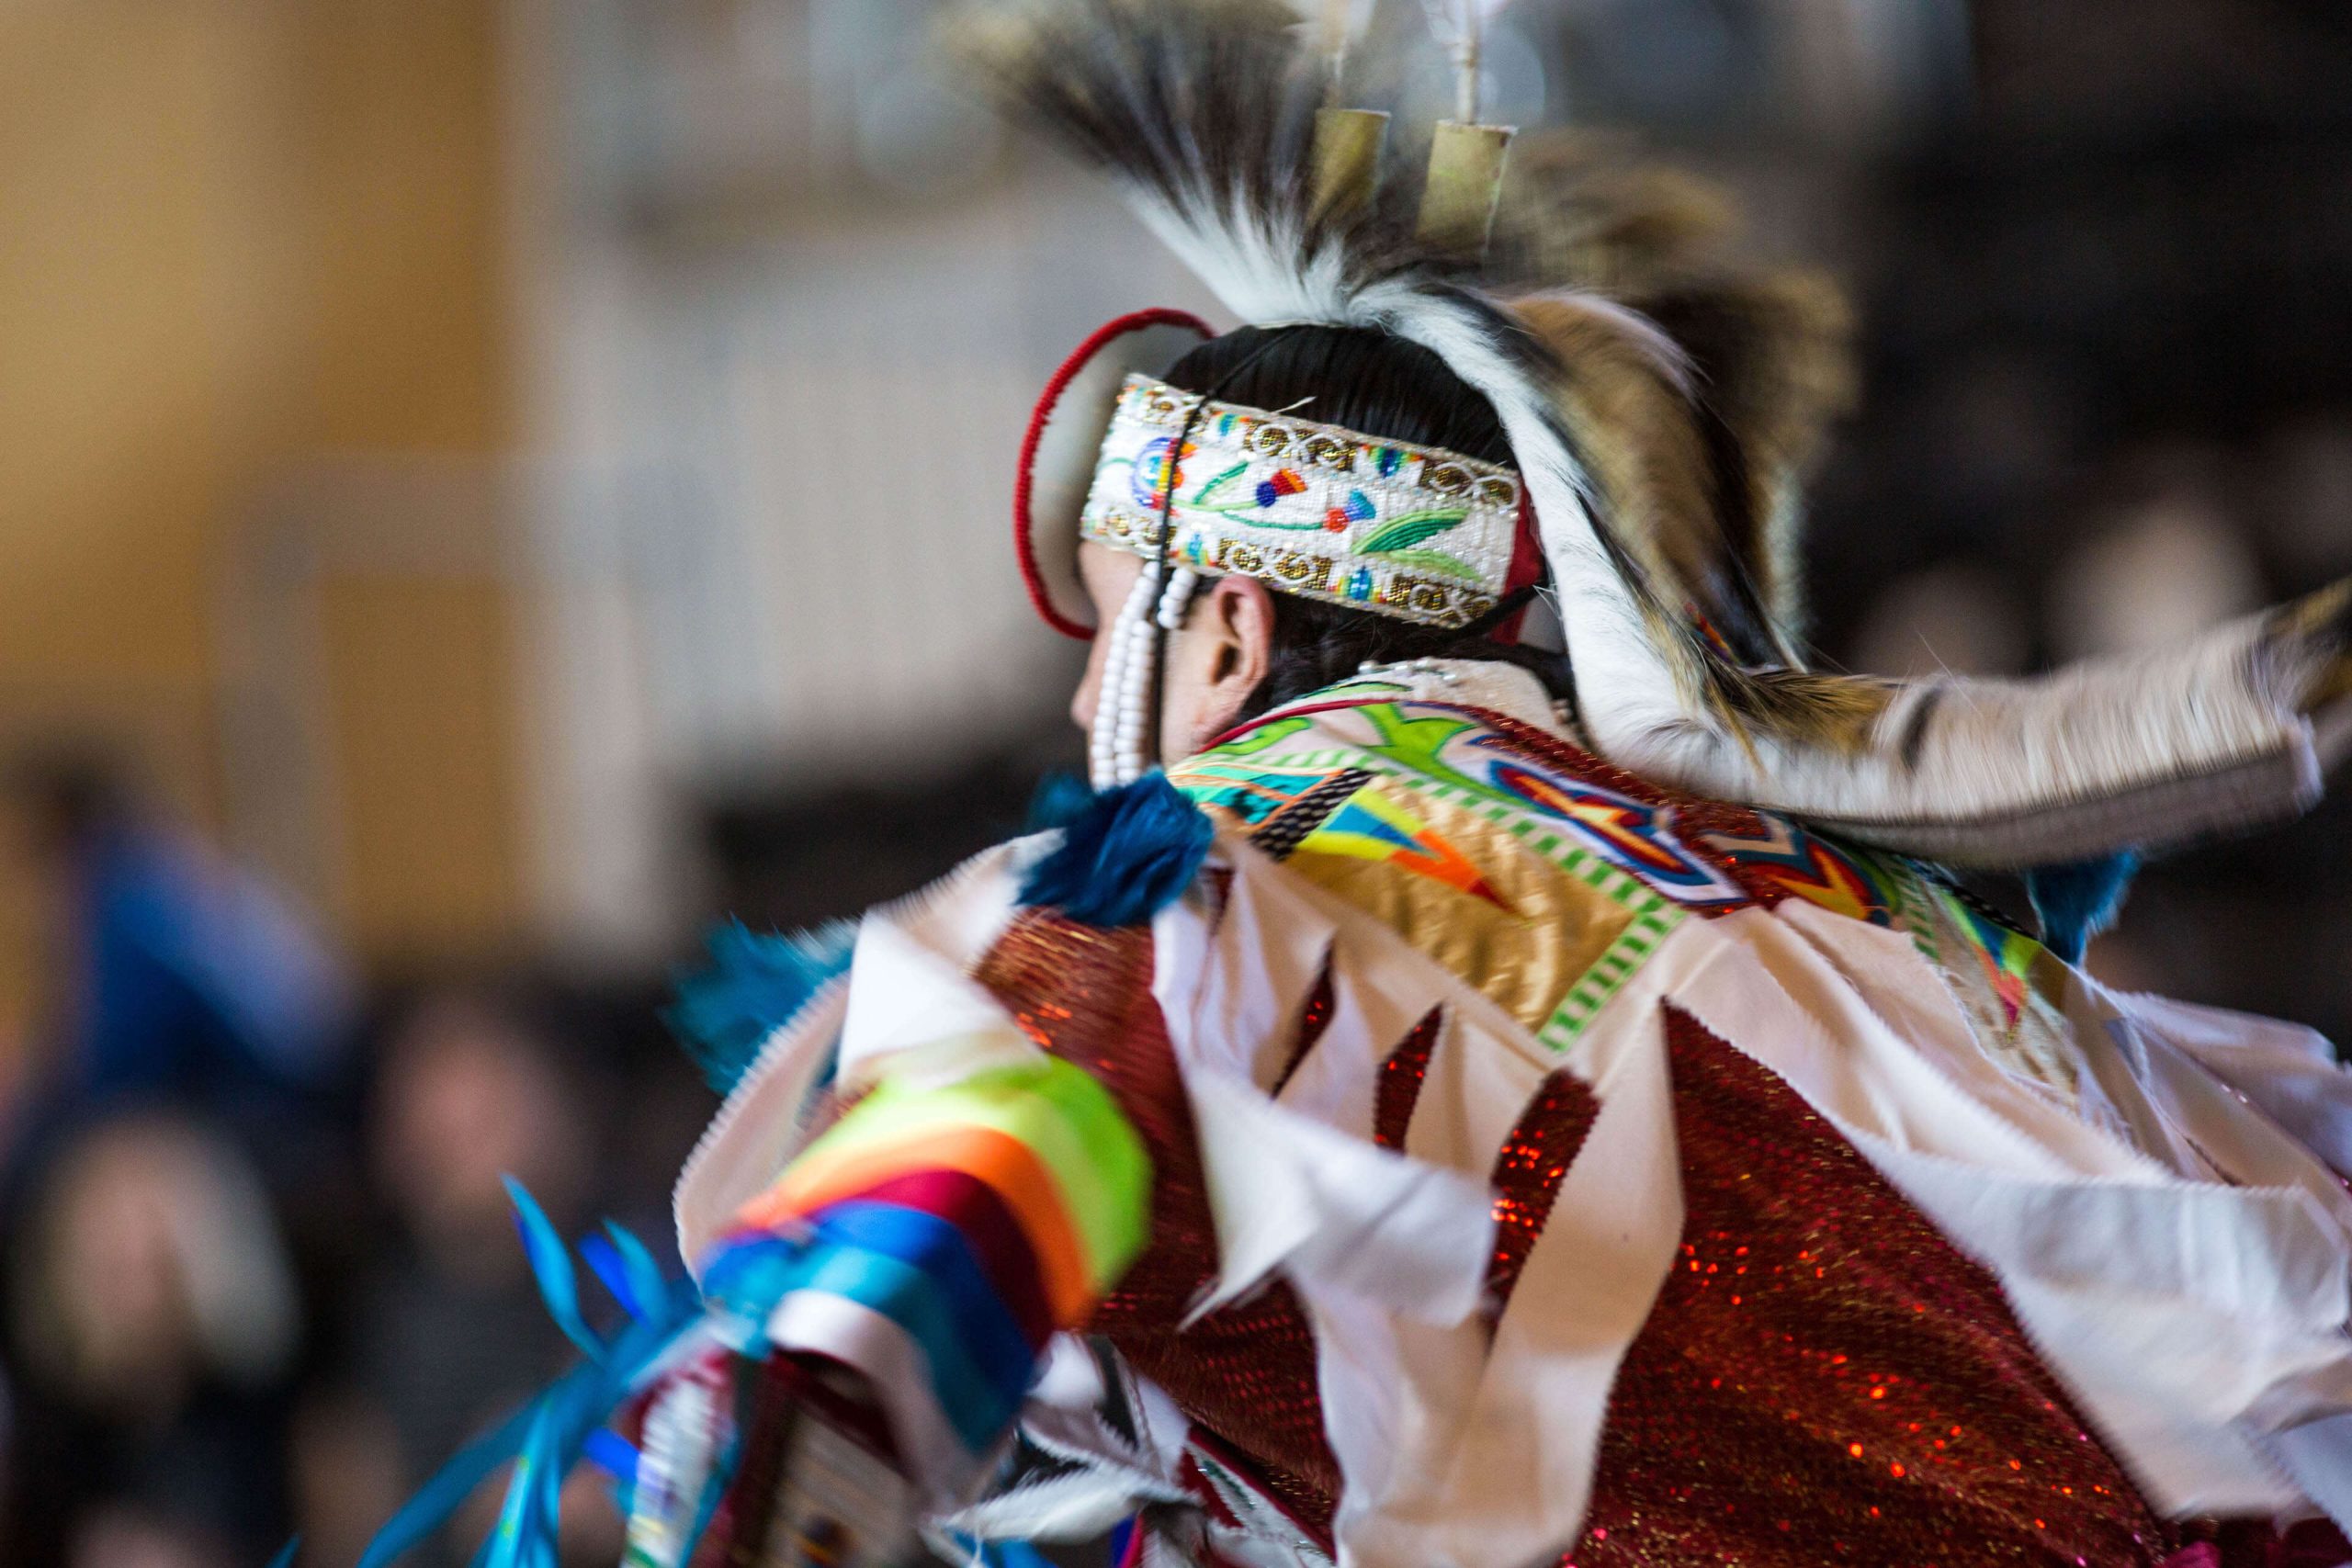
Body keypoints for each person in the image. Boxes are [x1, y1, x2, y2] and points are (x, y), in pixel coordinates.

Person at [368, 5, 2352, 1565]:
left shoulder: (1199, 879)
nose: (1082, 715)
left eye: (1113, 634)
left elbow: (959, 1164)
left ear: (1221, 635)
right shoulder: (1848, 893)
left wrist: (782, 1439)